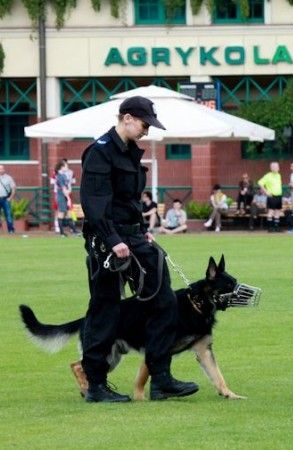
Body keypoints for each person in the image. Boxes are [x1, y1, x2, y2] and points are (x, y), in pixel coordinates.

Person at [79, 96, 198, 402]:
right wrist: (112, 239)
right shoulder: (100, 153)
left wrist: (144, 232)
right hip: (108, 242)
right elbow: (94, 203)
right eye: (145, 124)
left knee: (164, 302)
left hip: (134, 238)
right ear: (128, 118)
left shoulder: (131, 152)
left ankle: (161, 380)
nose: (147, 131)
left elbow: (130, 202)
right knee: (105, 308)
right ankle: (96, 385)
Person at [56, 161, 80, 236]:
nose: (67, 168)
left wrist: (68, 192)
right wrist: (68, 198)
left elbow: (67, 187)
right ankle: (62, 233)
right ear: (61, 167)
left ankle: (74, 230)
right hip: (62, 197)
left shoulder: (64, 175)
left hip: (65, 196)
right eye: (66, 166)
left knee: (68, 213)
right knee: (61, 213)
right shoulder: (60, 176)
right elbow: (63, 189)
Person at [257, 162, 283, 232]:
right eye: (275, 167)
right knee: (271, 211)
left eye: (278, 166)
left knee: (277, 212)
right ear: (271, 168)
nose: (278, 168)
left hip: (279, 195)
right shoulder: (268, 175)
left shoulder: (278, 175)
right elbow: (259, 183)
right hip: (272, 196)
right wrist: (266, 192)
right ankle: (270, 228)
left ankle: (276, 227)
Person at [0, 164, 17, 234]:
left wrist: (10, 198)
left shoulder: (8, 178)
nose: (0, 170)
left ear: (4, 169)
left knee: (8, 215)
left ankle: (10, 230)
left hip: (5, 199)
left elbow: (13, 188)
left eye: (1, 169)